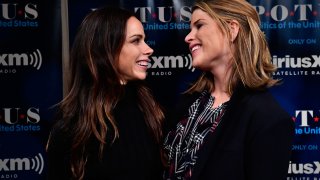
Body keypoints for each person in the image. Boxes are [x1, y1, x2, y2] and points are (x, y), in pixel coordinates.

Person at [162, 0, 295, 179]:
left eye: (199, 25)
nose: (188, 37)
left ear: (232, 29)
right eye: (190, 28)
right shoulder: (188, 103)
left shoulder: (267, 117)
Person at [46, 6, 164, 180]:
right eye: (136, 40)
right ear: (107, 48)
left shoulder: (152, 111)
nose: (148, 49)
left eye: (144, 39)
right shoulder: (70, 129)